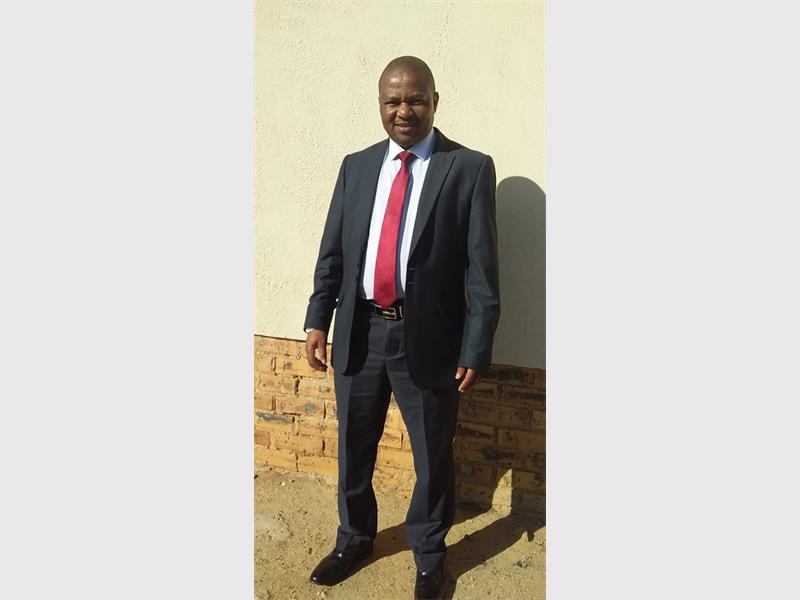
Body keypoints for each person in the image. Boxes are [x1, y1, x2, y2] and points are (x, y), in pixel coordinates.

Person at [303, 55, 500, 600]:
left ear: (435, 101)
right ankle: (354, 538)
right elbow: (333, 252)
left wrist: (476, 346)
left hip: (430, 340)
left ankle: (430, 558)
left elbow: (483, 272)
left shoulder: (468, 168)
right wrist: (319, 318)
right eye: (393, 101)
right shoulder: (357, 166)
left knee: (433, 456)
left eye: (415, 99)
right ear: (380, 105)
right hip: (360, 332)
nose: (404, 111)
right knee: (353, 447)